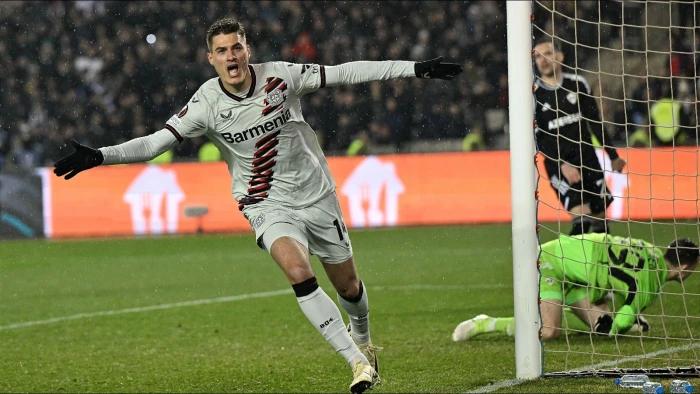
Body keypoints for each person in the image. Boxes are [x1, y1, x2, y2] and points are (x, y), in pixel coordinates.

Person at [53, 17, 463, 393]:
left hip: (317, 195)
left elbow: (346, 73)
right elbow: (151, 144)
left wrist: (415, 68)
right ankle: (356, 363)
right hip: (265, 203)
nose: (231, 56)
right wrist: (99, 156)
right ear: (210, 58)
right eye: (222, 50)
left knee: (349, 288)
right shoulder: (205, 104)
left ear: (247, 50)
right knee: (299, 271)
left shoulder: (281, 77)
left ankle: (363, 339)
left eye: (237, 47)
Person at [452, 233, 699, 341]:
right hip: (551, 261)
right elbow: (621, 322)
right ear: (686, 268)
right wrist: (630, 317)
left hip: (580, 267)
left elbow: (614, 271)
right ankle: (487, 323)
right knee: (549, 331)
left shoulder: (650, 250)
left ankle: (562, 304)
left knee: (602, 327)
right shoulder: (651, 284)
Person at [533, 39, 627, 235]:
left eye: (548, 54)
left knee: (600, 224)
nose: (542, 60)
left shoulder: (577, 84)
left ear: (560, 57)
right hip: (559, 165)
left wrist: (613, 155)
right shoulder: (534, 94)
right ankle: (570, 265)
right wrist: (562, 164)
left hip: (588, 159)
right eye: (537, 56)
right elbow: (538, 138)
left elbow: (595, 123)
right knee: (582, 221)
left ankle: (605, 265)